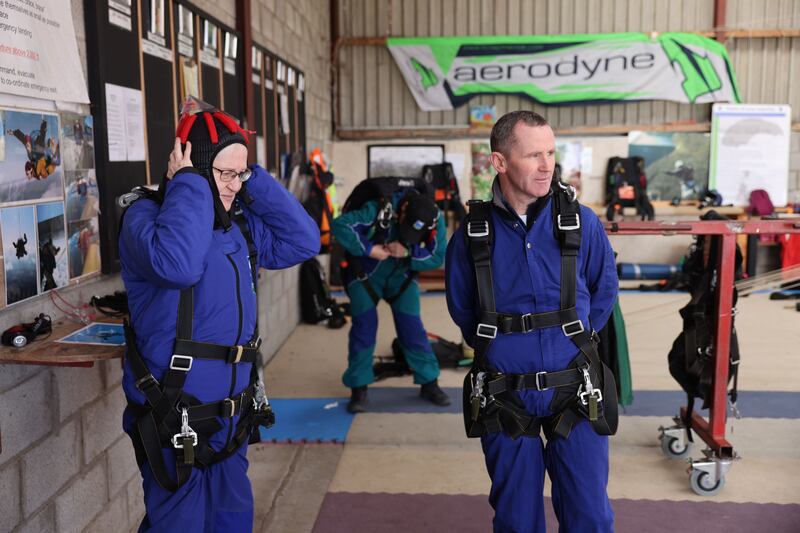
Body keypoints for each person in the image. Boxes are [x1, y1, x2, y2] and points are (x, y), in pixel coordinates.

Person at [118, 102, 319, 532]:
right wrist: (189, 183)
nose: (232, 185)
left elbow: (304, 241)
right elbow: (178, 265)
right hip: (175, 423)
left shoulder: (238, 227)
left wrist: (252, 182)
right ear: (190, 166)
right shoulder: (144, 219)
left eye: (239, 173)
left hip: (232, 423)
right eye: (224, 173)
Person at [445, 111, 618, 533]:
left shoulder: (581, 224)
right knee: (517, 520)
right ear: (500, 162)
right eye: (533, 155)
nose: (547, 166)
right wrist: (507, 347)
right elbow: (463, 308)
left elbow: (603, 292)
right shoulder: (472, 234)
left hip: (574, 388)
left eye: (551, 153)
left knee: (590, 516)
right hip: (505, 394)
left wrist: (567, 341)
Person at [331, 185, 450, 412]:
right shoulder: (376, 209)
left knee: (412, 329)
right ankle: (359, 387)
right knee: (364, 328)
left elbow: (438, 256)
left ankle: (429, 383)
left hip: (402, 277)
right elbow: (340, 225)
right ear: (402, 212)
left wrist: (408, 252)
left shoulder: (434, 216)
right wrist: (369, 249)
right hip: (366, 276)